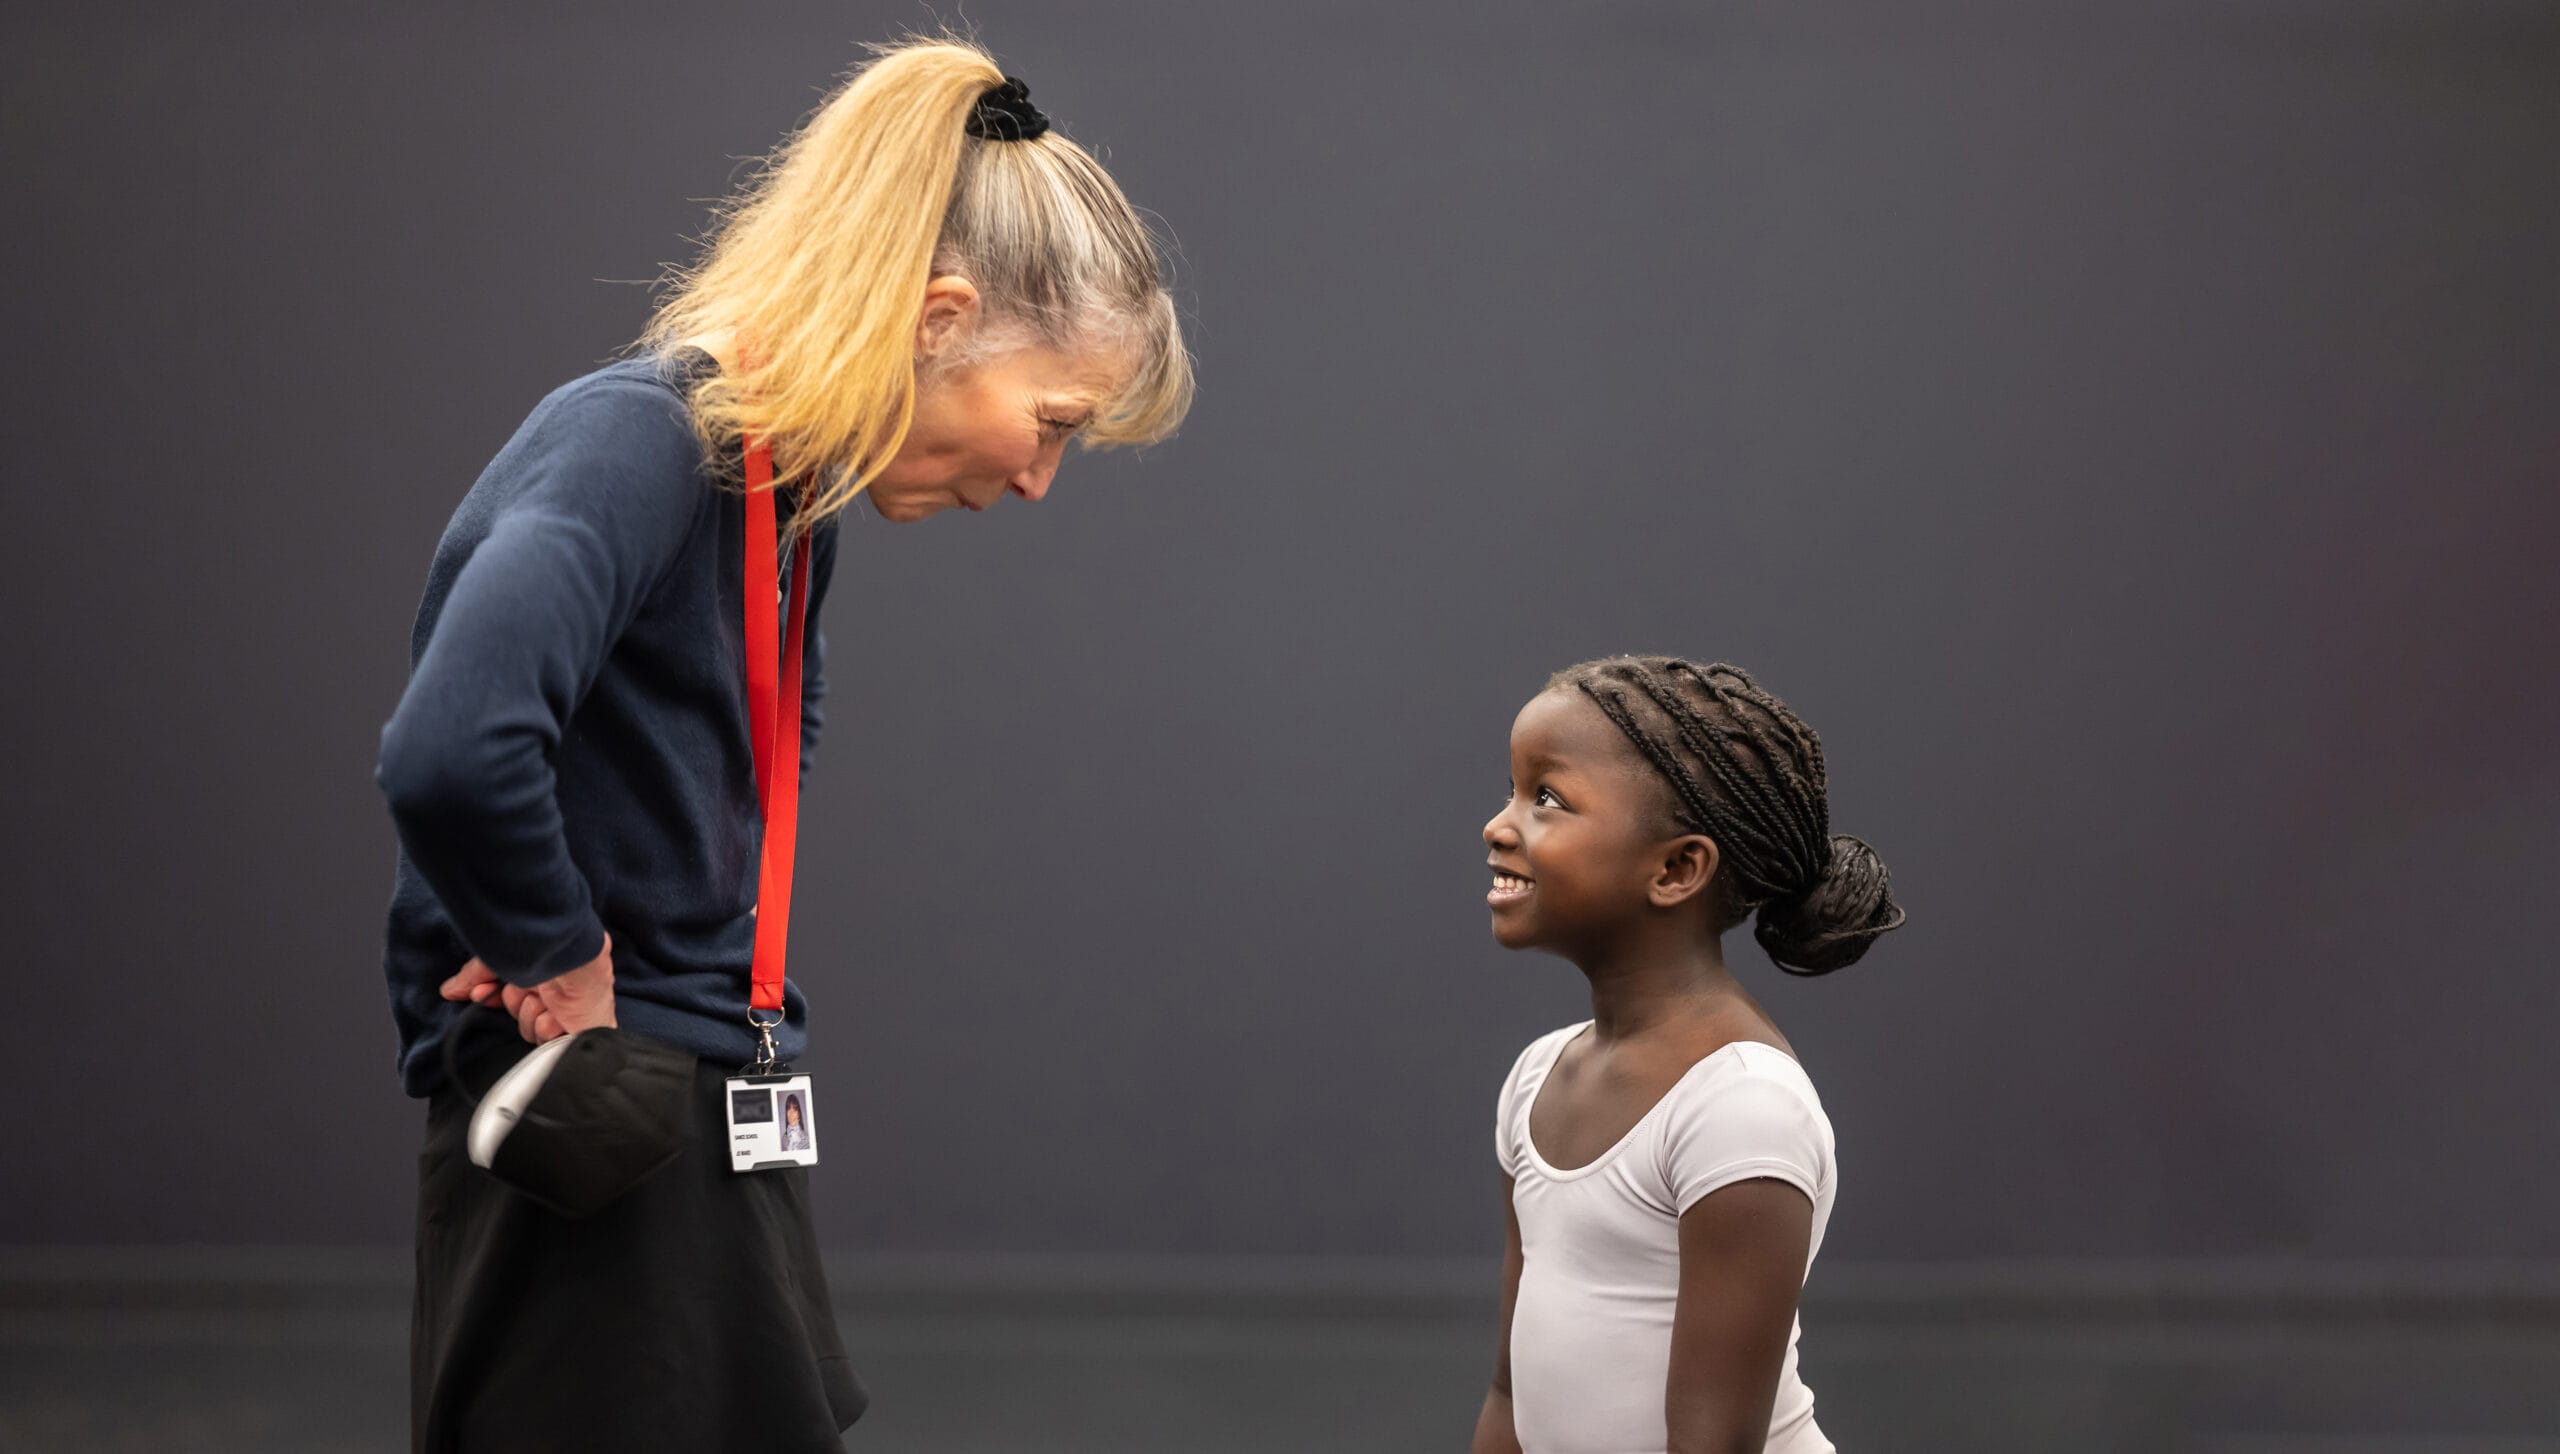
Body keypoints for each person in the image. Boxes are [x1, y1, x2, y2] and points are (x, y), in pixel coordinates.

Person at [375, 37, 1190, 1454]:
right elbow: (451, 744)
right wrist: (554, 946)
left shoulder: (784, 491)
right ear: (939, 318)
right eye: (1051, 421)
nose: (1037, 479)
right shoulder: (640, 442)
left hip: (694, 1097)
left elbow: (746, 758)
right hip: (597, 1116)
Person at [1472, 657, 1905, 1454]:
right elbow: (1510, 1395)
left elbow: (1712, 1443)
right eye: (1511, 790)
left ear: (1676, 868)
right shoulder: (1538, 1078)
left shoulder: (1740, 1109)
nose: (1500, 825)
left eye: (1547, 799)